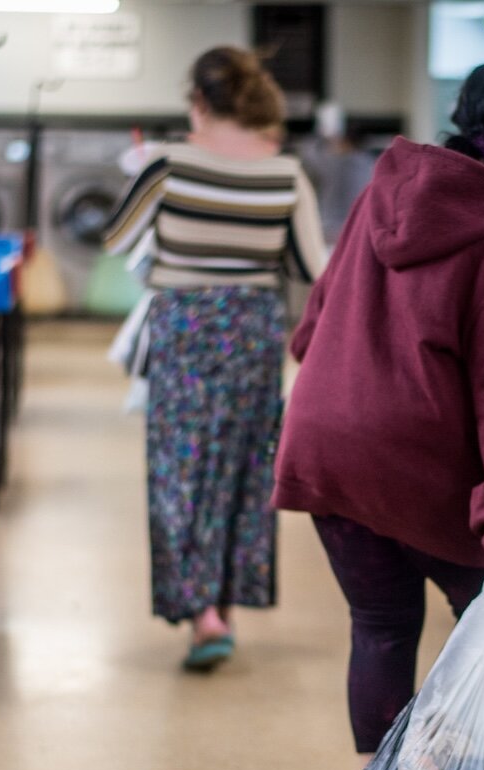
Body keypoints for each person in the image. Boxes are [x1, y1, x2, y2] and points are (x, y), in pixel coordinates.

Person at [274, 60, 484, 754]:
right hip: (415, 467)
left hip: (327, 448)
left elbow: (313, 322)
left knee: (381, 624)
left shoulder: (385, 191)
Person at [104, 46, 328, 672]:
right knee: (242, 468)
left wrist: (139, 169)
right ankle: (222, 606)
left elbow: (116, 237)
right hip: (254, 329)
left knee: (182, 470)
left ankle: (199, 610)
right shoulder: (286, 173)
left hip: (185, 328)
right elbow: (314, 269)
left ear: (199, 103)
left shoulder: (166, 164)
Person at [300, 102, 378, 246]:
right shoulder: (368, 163)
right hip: (350, 233)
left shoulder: (328, 162)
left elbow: (309, 153)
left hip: (334, 232)